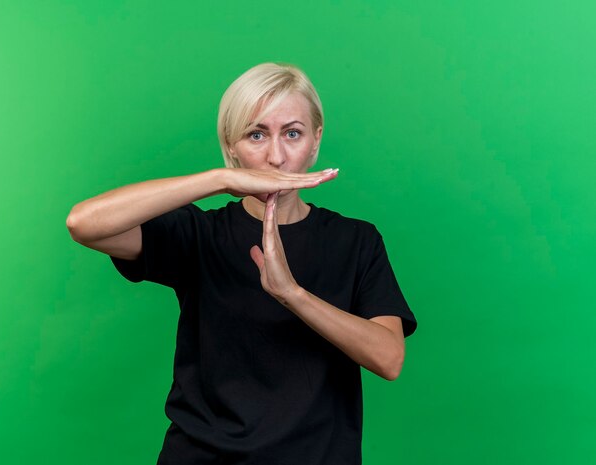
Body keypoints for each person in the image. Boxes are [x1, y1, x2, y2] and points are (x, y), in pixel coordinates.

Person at [66, 62, 417, 465]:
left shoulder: (356, 241)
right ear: (231, 145)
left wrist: (293, 294)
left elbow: (389, 358)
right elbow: (84, 223)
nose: (276, 156)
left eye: (293, 133)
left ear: (316, 140)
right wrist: (218, 179)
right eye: (256, 134)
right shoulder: (200, 235)